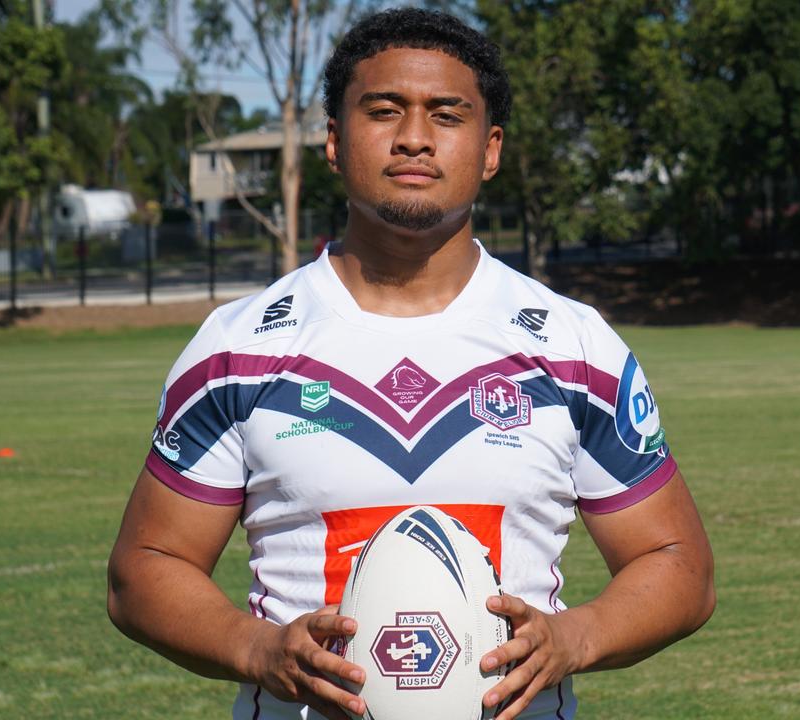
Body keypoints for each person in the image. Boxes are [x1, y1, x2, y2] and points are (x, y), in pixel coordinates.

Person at [107, 8, 715, 720]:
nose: (415, 138)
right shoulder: (237, 349)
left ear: (490, 150)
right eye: (384, 110)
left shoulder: (573, 346)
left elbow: (681, 565)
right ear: (334, 141)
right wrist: (256, 650)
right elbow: (143, 571)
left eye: (447, 115)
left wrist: (574, 637)